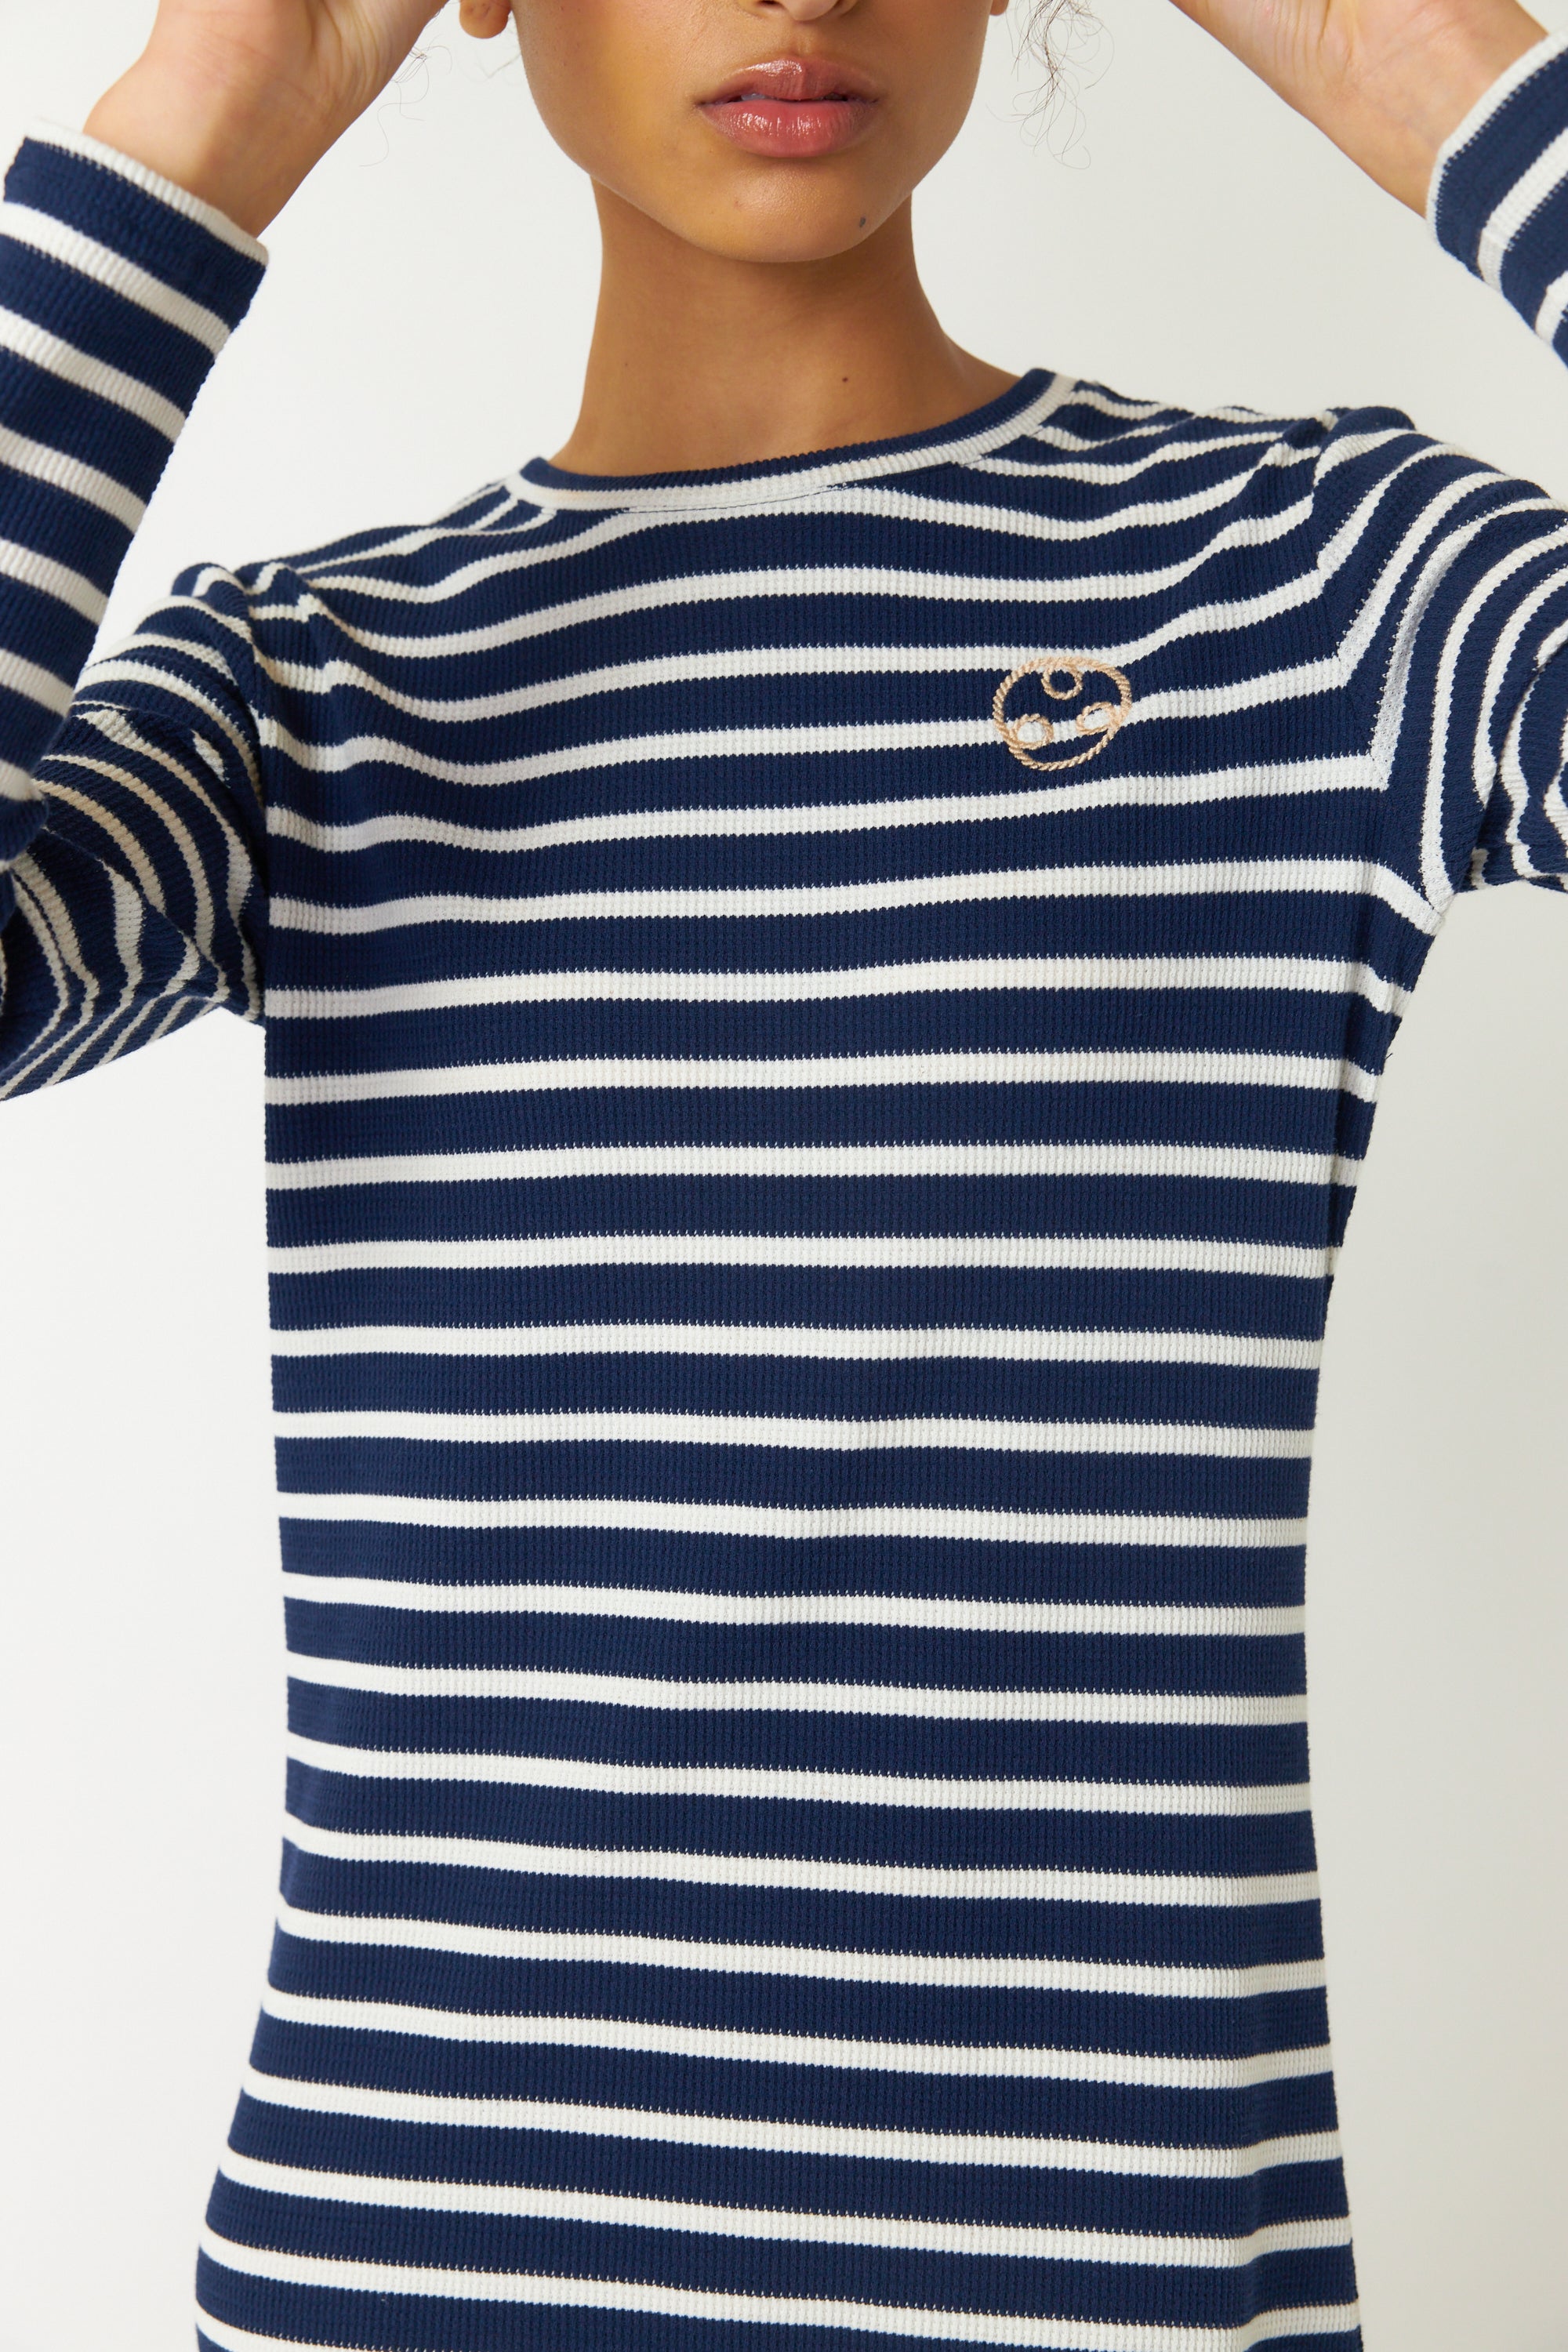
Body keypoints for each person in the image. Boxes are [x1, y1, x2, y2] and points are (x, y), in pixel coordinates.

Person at [2, 0, 1566, 2344]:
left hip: (1103, 2285)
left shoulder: (1317, 585)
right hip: (401, 2274)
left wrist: (1416, 61)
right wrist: (212, 110)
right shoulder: (314, 686)